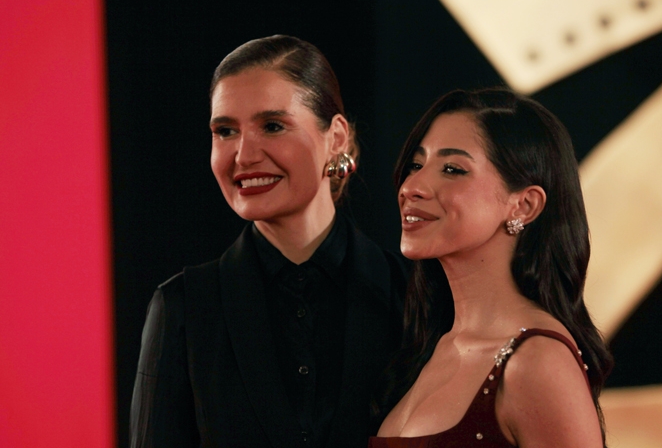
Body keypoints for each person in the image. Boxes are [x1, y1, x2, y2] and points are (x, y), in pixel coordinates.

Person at [129, 35, 408, 448]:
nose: (243, 155)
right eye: (225, 131)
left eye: (272, 126)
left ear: (335, 137)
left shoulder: (413, 293)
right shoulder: (183, 309)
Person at [369, 89, 613, 447]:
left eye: (452, 169)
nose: (412, 187)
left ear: (524, 206)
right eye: (416, 165)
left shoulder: (537, 361)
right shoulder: (430, 344)